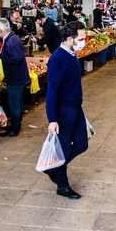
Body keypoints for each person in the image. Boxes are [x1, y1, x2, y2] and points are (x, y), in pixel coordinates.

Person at [44, 21, 89, 200]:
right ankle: (62, 185)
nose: (83, 41)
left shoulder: (71, 54)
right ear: (70, 39)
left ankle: (53, 168)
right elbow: (52, 91)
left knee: (82, 144)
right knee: (62, 149)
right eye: (81, 38)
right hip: (64, 111)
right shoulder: (58, 58)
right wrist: (52, 119)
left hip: (75, 107)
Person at [0, 19, 30, 138]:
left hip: (15, 77)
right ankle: (16, 125)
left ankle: (14, 128)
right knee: (17, 102)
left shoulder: (11, 41)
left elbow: (16, 58)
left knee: (14, 103)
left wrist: (1, 56)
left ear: (0, 30)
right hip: (17, 76)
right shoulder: (12, 38)